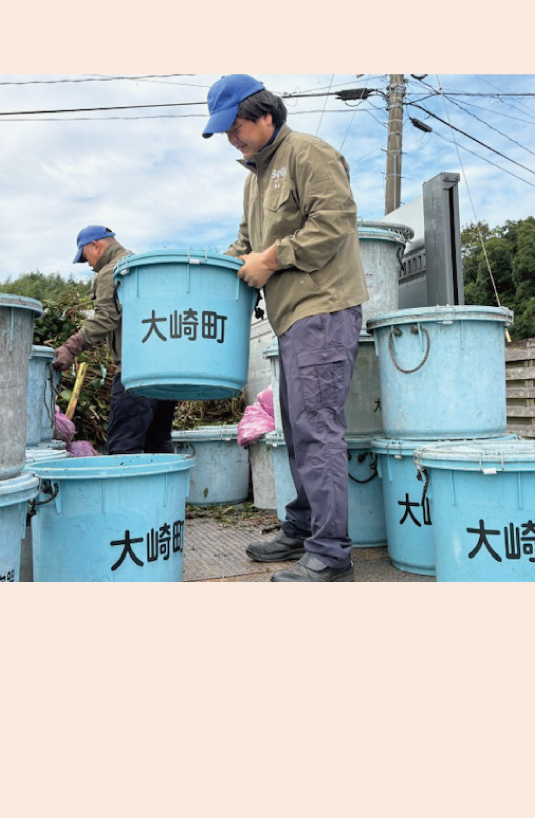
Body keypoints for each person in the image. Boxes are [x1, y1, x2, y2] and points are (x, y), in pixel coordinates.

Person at [203, 74, 367, 582]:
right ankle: (302, 529)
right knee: (295, 430)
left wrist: (271, 259)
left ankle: (332, 553)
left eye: (236, 126)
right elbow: (244, 243)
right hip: (293, 318)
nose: (233, 138)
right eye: (225, 132)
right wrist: (206, 275)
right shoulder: (254, 179)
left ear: (266, 115)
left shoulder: (308, 154)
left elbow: (333, 221)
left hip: (323, 308)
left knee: (317, 431)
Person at [53, 226, 178, 454]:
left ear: (96, 246)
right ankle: (165, 491)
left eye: (85, 257)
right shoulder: (141, 267)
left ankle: (130, 491)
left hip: (136, 372)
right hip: (165, 372)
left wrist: (71, 348)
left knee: (124, 447)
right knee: (158, 445)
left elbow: (105, 319)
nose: (88, 264)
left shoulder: (114, 271)